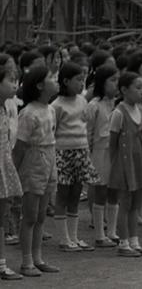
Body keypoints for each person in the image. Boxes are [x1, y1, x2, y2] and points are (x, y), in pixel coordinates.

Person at [13, 66, 61, 276]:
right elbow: (20, 147)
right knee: (30, 215)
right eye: (51, 77)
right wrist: (14, 174)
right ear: (40, 85)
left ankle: (38, 257)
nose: (56, 80)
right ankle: (26, 261)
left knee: (41, 215)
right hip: (33, 163)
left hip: (49, 160)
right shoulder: (29, 113)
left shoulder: (50, 109)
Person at [107, 72, 142, 258]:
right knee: (125, 204)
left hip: (140, 163)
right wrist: (116, 166)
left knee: (137, 205)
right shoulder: (119, 113)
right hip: (125, 165)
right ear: (124, 90)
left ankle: (135, 241)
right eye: (137, 88)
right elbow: (112, 144)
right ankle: (123, 243)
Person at [51, 61, 98, 253]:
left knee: (76, 194)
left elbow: (85, 123)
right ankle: (64, 239)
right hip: (63, 153)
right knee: (63, 194)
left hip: (81, 151)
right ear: (65, 81)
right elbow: (52, 131)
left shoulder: (82, 101)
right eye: (78, 80)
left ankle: (75, 237)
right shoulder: (56, 105)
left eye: (83, 79)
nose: (82, 83)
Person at [84, 65, 120, 248]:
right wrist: (88, 157)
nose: (116, 84)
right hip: (99, 151)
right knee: (101, 191)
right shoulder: (94, 105)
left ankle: (112, 231)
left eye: (117, 80)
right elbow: (88, 132)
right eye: (112, 80)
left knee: (114, 190)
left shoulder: (118, 104)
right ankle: (99, 233)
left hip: (116, 152)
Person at [0, 56, 23, 280]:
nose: (15, 84)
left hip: (3, 167)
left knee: (2, 214)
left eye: (16, 79)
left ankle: (2, 262)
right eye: (10, 79)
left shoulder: (6, 108)